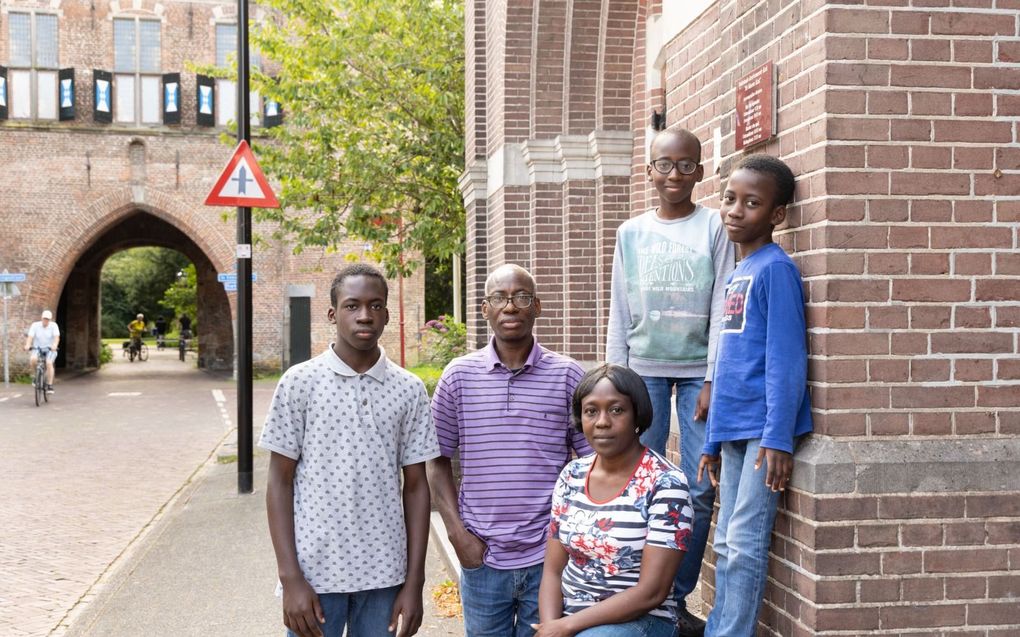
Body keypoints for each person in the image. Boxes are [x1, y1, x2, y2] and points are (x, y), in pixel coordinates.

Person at [259, 263, 439, 637]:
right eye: (352, 305)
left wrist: (414, 581)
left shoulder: (408, 389)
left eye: (375, 306)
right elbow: (279, 481)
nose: (364, 315)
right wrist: (290, 577)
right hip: (315, 575)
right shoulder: (299, 383)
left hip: (386, 574)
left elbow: (417, 486)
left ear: (387, 315)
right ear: (332, 313)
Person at [605, 127, 735, 635]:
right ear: (649, 172)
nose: (675, 174)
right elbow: (620, 307)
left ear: (700, 172)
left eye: (686, 165)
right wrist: (618, 379)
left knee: (699, 489)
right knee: (641, 483)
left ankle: (673, 598)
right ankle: (635, 590)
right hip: (644, 373)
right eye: (665, 164)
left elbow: (724, 307)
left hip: (699, 372)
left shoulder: (714, 228)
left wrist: (714, 379)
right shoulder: (630, 233)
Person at [429, 263, 592, 637]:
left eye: (521, 297)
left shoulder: (568, 376)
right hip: (481, 556)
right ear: (484, 309)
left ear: (537, 306)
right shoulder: (458, 376)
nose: (511, 307)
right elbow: (435, 461)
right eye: (499, 298)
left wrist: (570, 537)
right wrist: (457, 535)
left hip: (549, 558)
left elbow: (591, 464)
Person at [697, 155, 813, 637]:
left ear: (776, 215)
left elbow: (787, 359)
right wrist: (709, 442)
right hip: (734, 429)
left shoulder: (775, 270)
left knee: (744, 543)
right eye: (729, 199)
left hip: (765, 434)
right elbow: (725, 365)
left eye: (751, 203)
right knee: (725, 543)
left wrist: (779, 437)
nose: (735, 211)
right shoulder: (736, 273)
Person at [535, 364, 694, 637]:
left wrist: (565, 627)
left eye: (616, 409)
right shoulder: (572, 475)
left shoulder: (666, 484)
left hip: (641, 621)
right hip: (569, 620)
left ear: (637, 416)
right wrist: (551, 626)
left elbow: (651, 592)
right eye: (591, 411)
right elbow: (552, 571)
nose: (602, 421)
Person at [24, 310, 60, 394]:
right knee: (33, 359)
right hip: (37, 348)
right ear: (41, 318)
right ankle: (35, 376)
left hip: (50, 349)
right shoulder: (35, 325)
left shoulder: (54, 326)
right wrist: (28, 345)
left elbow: (56, 337)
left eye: (47, 319)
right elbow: (30, 337)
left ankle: (50, 385)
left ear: (50, 320)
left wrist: (54, 345)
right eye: (44, 319)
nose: (45, 321)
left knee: (49, 363)